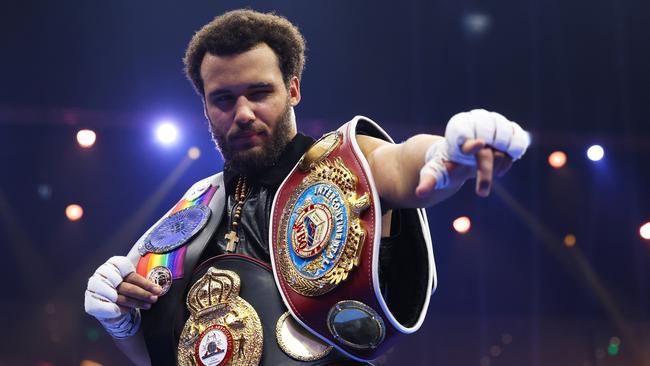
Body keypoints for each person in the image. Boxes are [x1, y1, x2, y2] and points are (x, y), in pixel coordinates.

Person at [84, 9, 529, 366]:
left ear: (292, 89)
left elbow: (400, 167)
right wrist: (121, 321)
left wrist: (446, 154)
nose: (242, 112)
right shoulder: (192, 207)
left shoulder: (341, 167)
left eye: (259, 92)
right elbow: (157, 354)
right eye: (223, 99)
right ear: (204, 107)